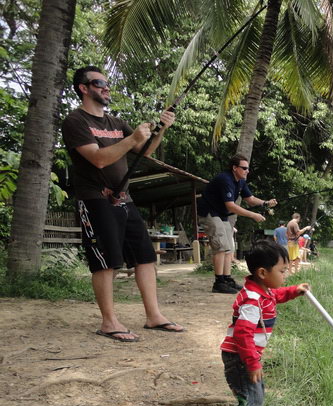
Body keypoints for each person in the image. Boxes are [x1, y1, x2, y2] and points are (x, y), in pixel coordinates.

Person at [62, 65, 185, 342]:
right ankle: (108, 322)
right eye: (99, 83)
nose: (106, 87)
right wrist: (132, 139)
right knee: (106, 261)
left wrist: (161, 129)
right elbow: (99, 159)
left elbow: (144, 151)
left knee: (145, 256)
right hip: (95, 199)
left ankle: (154, 316)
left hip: (124, 199)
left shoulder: (115, 123)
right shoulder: (76, 121)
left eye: (107, 83)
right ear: (84, 88)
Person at [218, 240, 309, 406]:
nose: (285, 275)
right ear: (262, 272)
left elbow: (278, 295)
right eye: (282, 271)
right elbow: (242, 333)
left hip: (245, 357)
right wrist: (252, 362)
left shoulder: (263, 291)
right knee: (250, 403)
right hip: (240, 358)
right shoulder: (252, 300)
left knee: (254, 399)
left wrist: (295, 291)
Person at [198, 154, 278, 294]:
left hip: (222, 215)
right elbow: (231, 206)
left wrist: (265, 203)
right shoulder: (225, 179)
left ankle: (227, 279)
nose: (247, 171)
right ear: (235, 168)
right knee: (221, 247)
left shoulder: (241, 181)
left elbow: (251, 199)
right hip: (210, 213)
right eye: (244, 168)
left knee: (229, 248)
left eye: (248, 168)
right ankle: (219, 282)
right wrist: (253, 215)